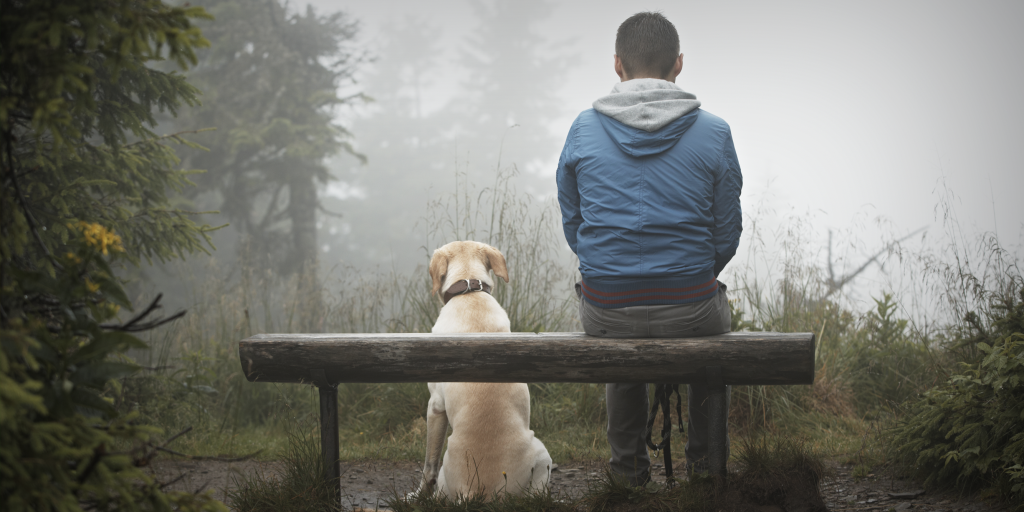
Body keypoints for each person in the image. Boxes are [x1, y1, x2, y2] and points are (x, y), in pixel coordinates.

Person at [555, 11, 743, 486]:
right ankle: (705, 472)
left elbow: (573, 220)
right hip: (692, 307)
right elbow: (727, 232)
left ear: (617, 66)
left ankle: (628, 474)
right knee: (709, 341)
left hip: (606, 308)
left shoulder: (582, 129)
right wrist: (693, 274)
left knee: (619, 336)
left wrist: (608, 267)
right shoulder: (715, 132)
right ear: (678, 64)